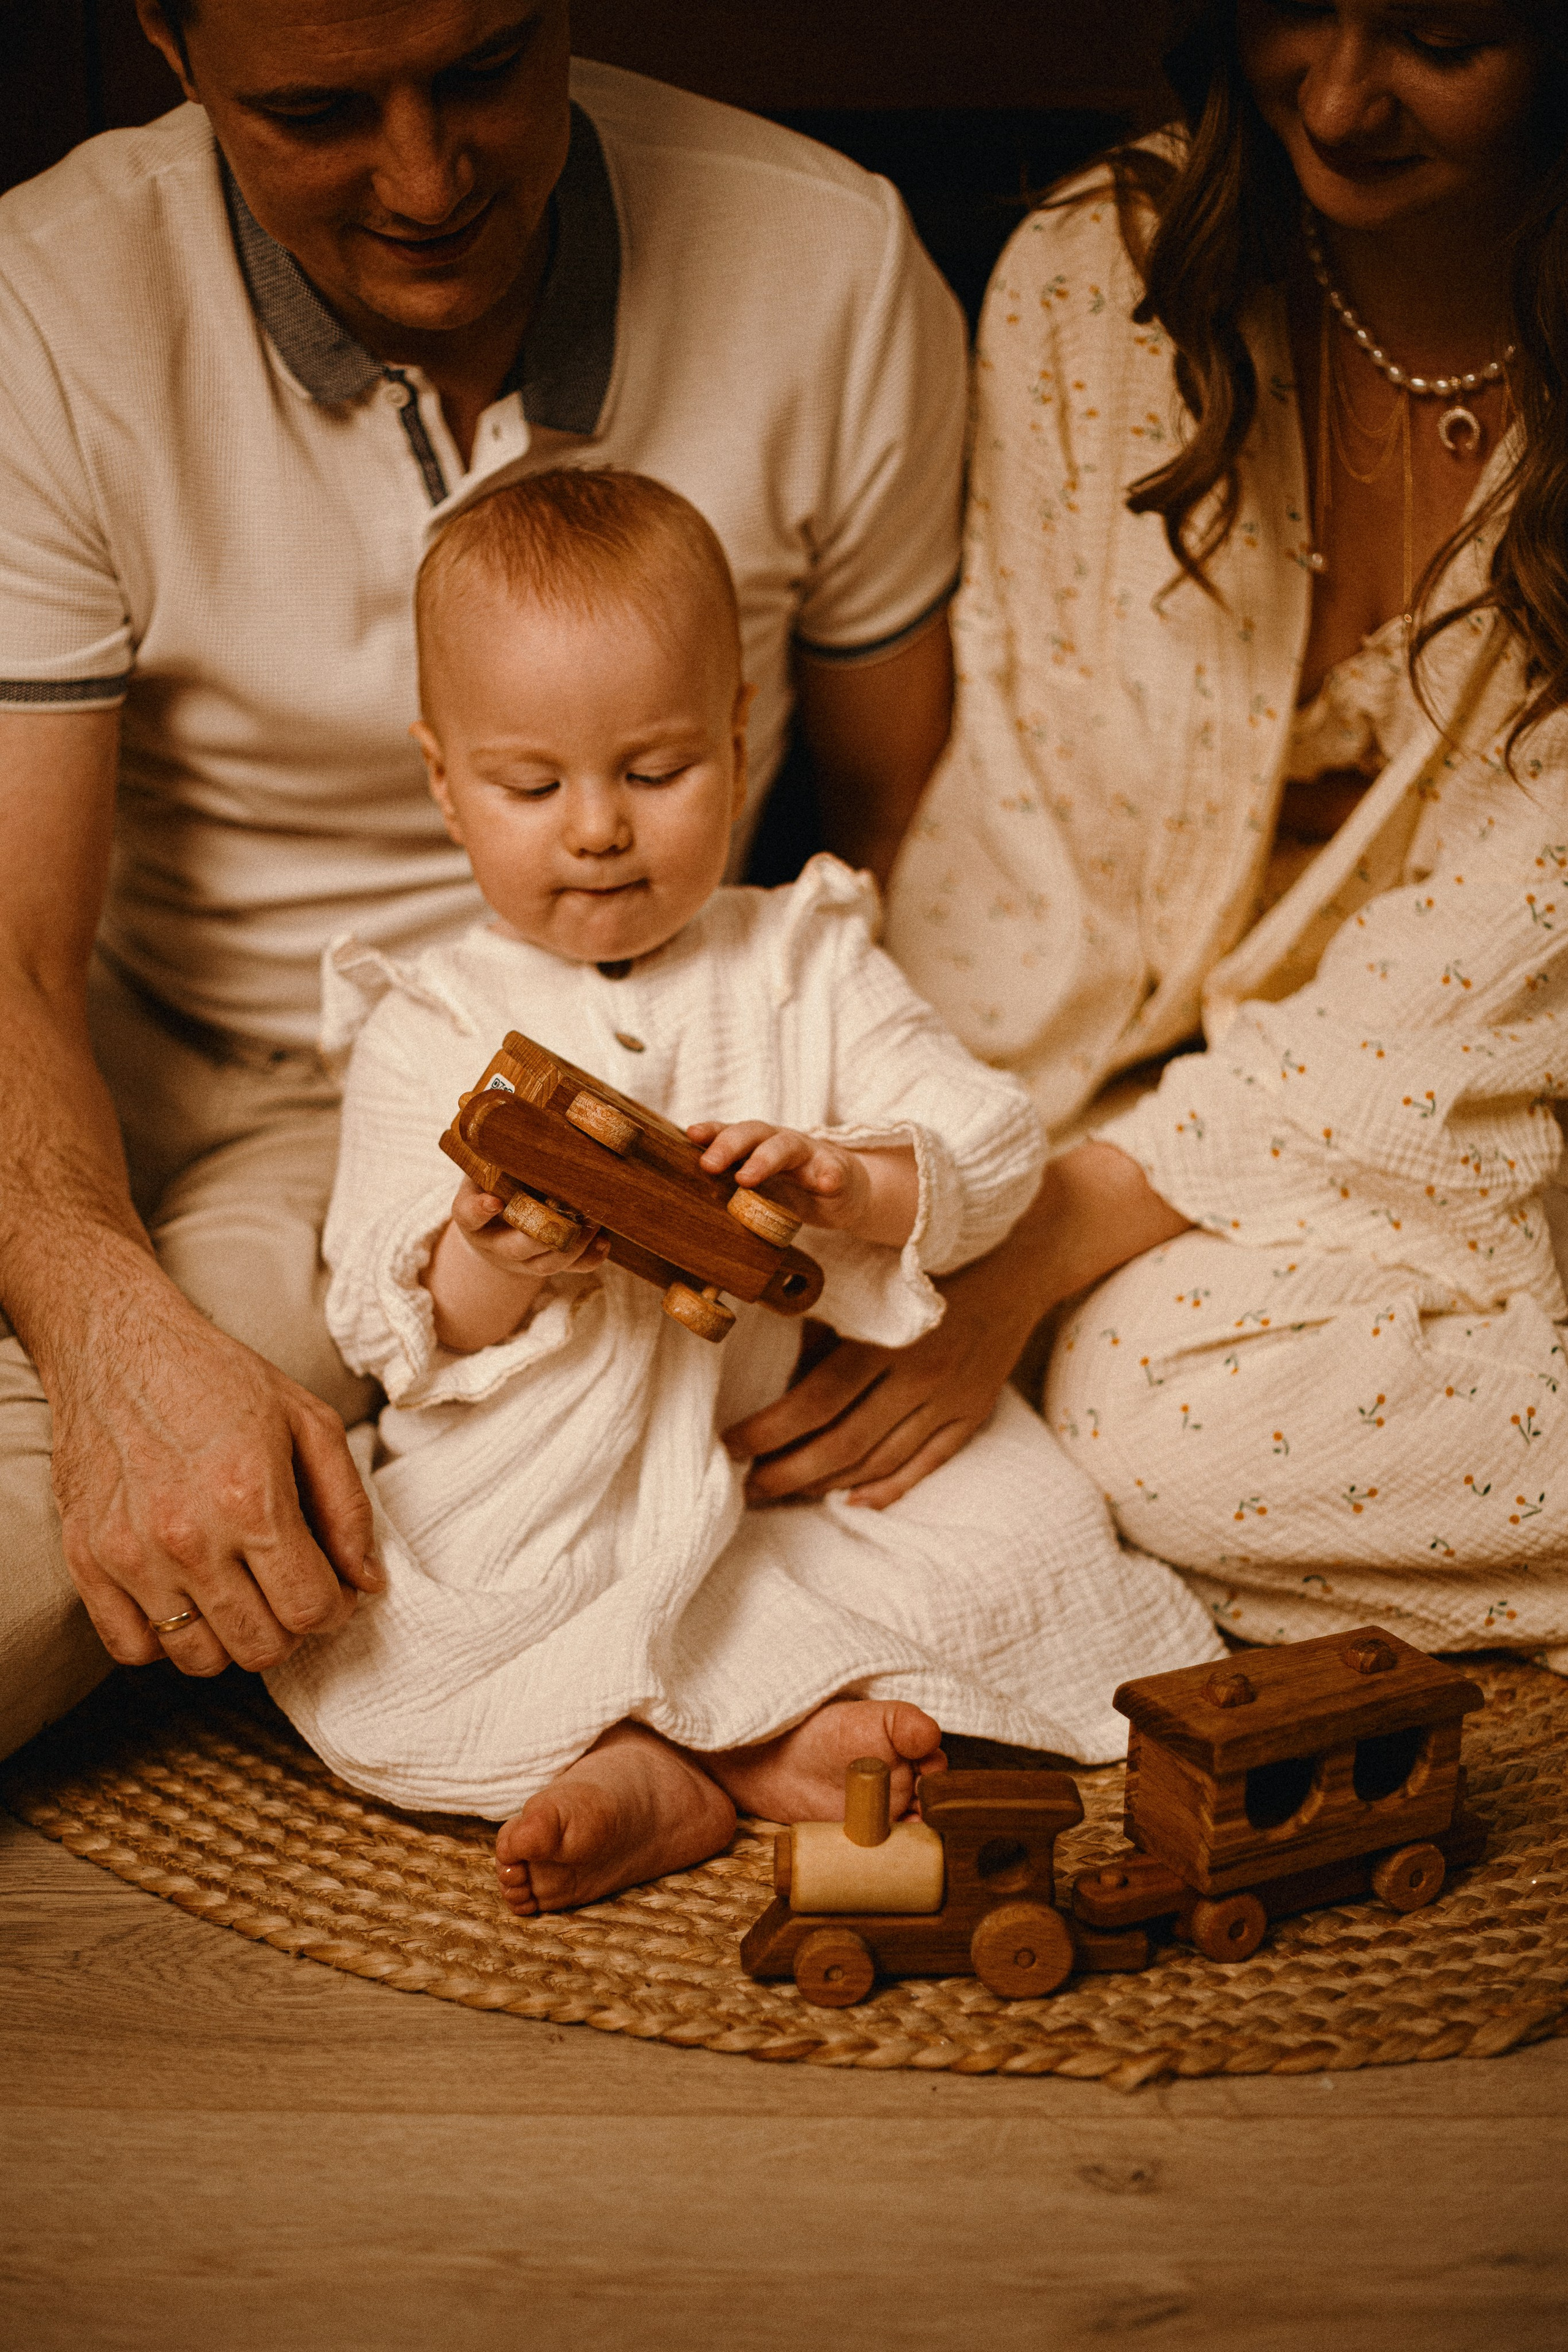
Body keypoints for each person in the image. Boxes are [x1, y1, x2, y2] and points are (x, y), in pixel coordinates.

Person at [0, 0, 968, 1759]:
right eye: (316, 113)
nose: (429, 176)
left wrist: (896, 1185)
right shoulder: (47, 305)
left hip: (602, 1068)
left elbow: (908, 814)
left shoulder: (828, 261)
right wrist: (99, 1316)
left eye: (482, 71)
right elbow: (8, 949)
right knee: (121, 1468)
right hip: (163, 1074)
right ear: (164, 38)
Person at [731, 0, 1568, 1669]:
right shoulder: (1088, 280)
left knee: (1154, 1429)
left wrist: (1052, 1238)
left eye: (1440, 36)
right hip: (1155, 1103)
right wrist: (946, 1196)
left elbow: (1504, 955)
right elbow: (1032, 830)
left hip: (1502, 1084)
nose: (1338, 96)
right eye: (1297, 7)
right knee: (1028, 1381)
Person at [265, 467, 1221, 1910]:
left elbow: (983, 1139)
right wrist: (495, 1253)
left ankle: (750, 1736)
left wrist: (850, 1178)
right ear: (443, 782)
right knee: (402, 1611)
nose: (596, 826)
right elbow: (389, 1309)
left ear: (735, 737)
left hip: (785, 1446)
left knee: (1022, 1532)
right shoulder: (428, 1017)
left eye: (654, 773)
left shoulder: (806, 955)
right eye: (533, 786)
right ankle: (685, 1758)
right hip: (550, 1477)